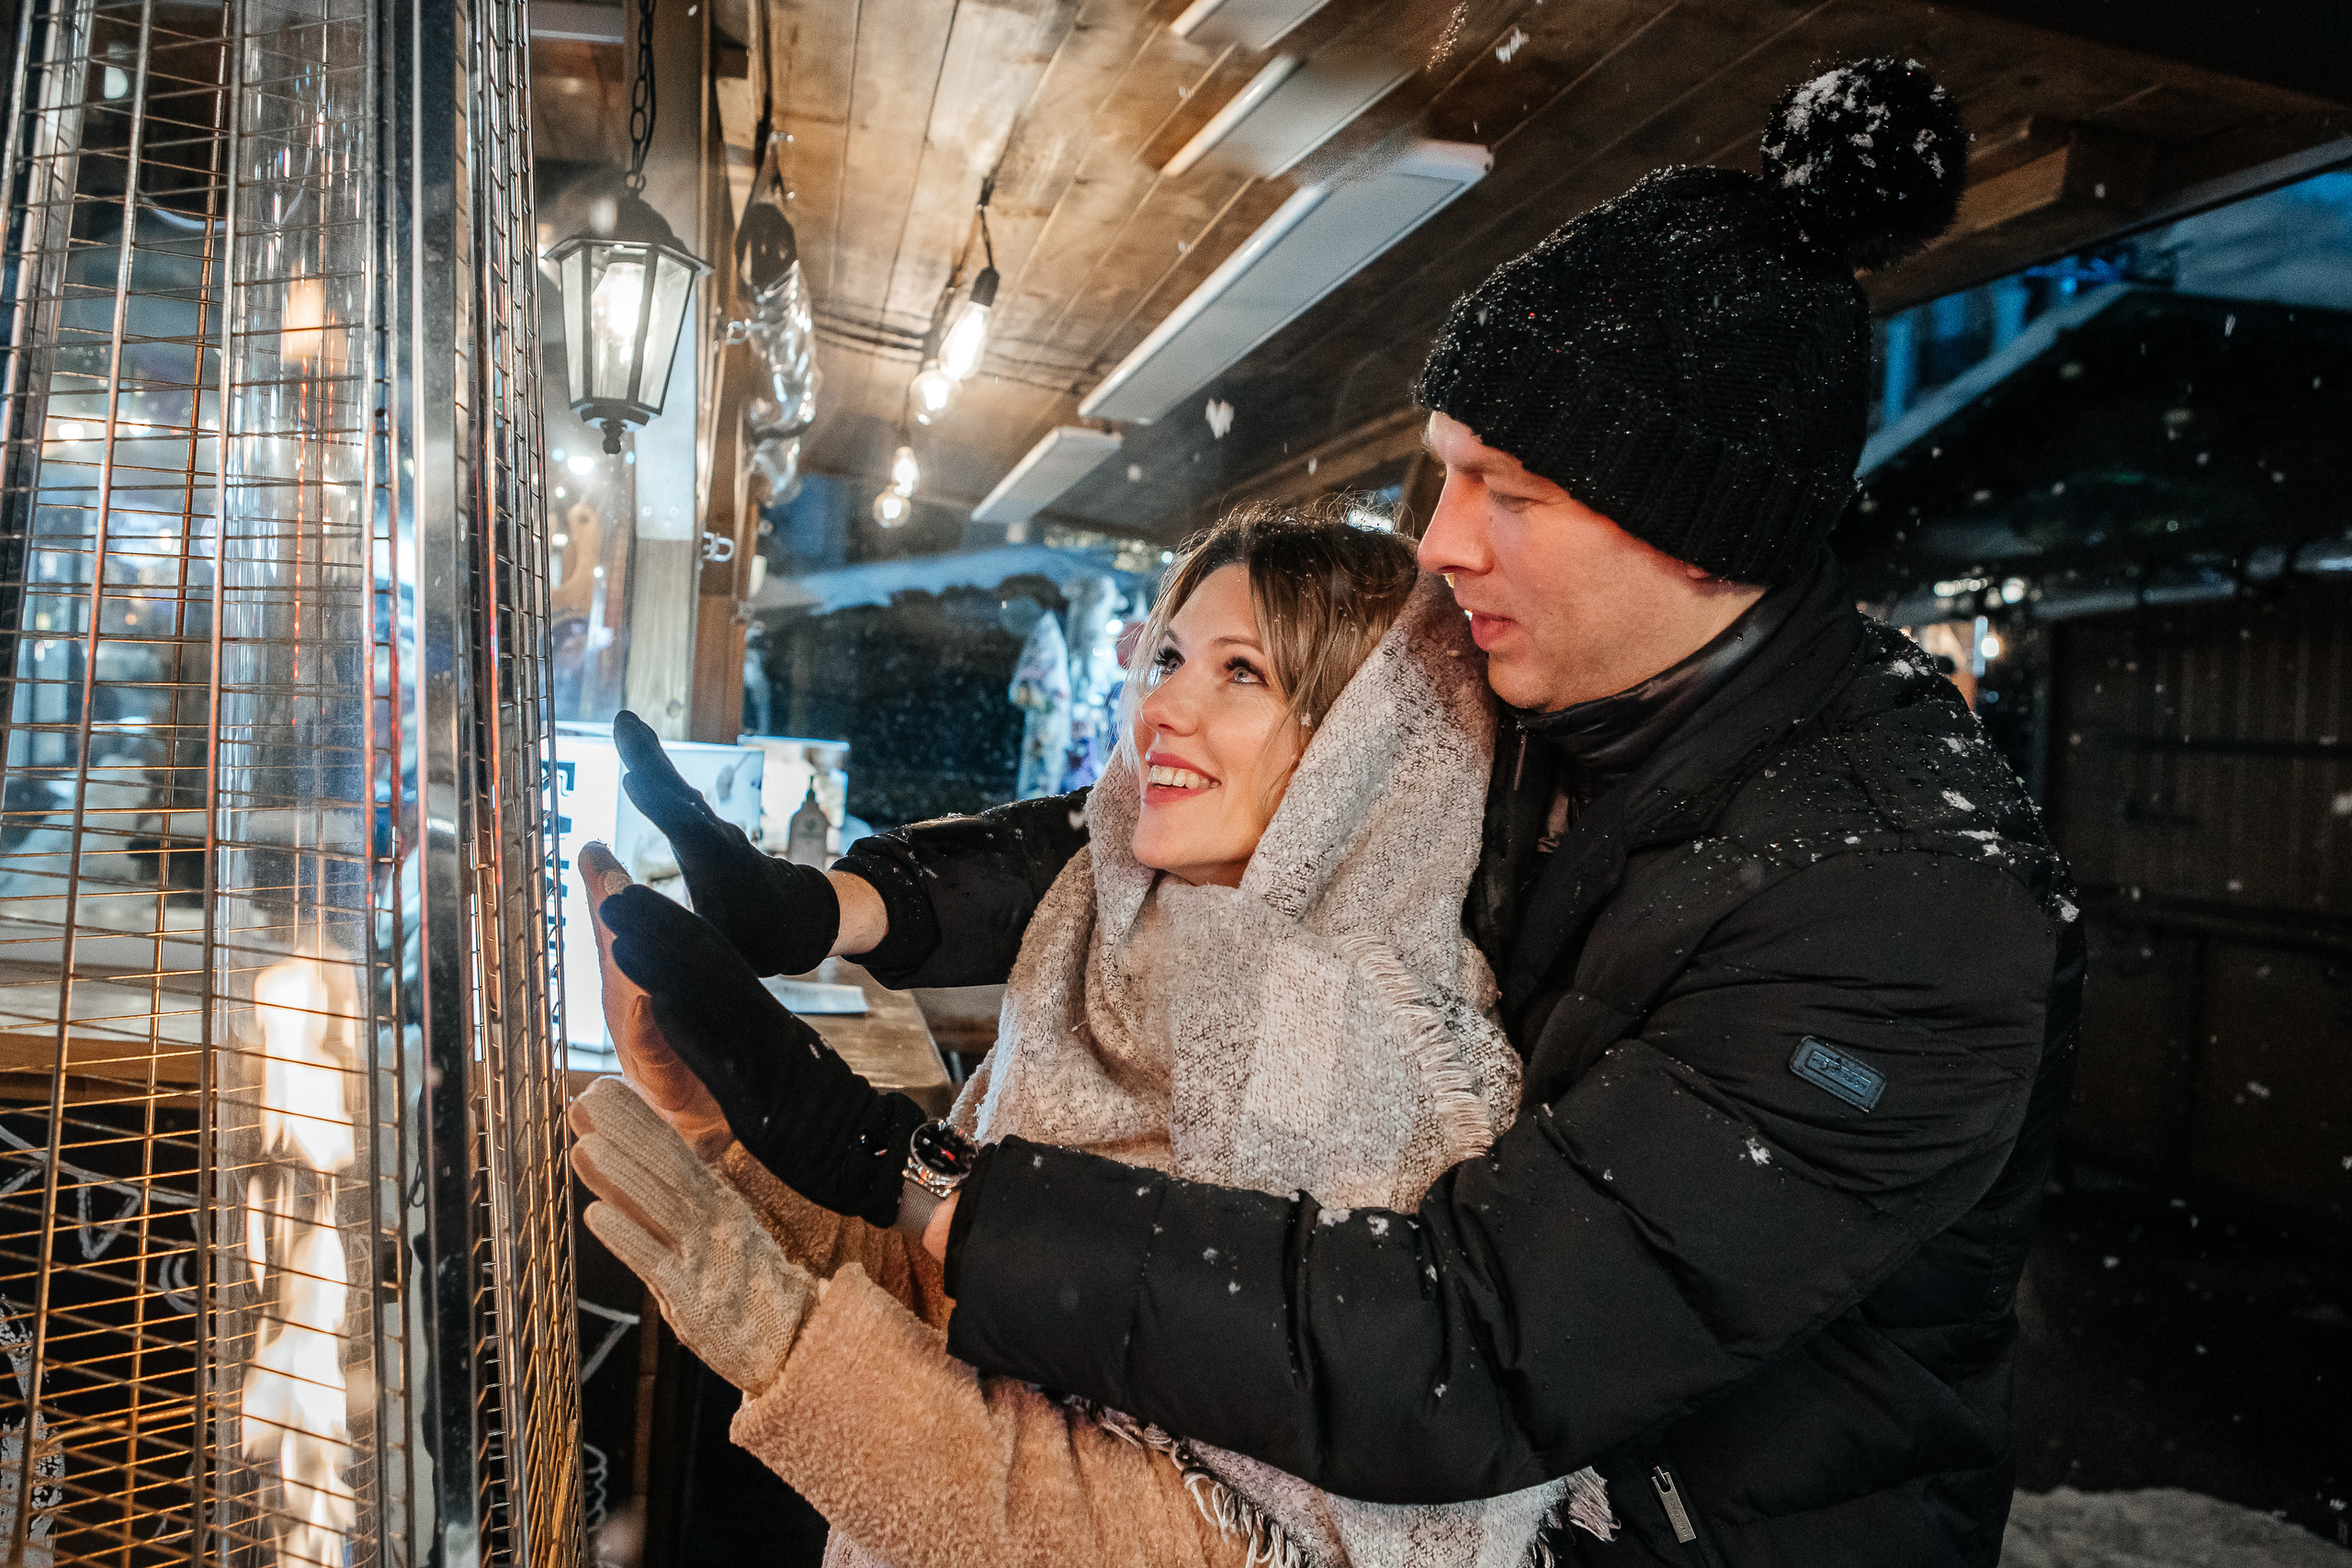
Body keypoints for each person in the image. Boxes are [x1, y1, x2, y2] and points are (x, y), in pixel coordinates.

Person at [602, 58, 2082, 1568]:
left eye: (1507, 490)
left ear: (1693, 534)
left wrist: (909, 1179)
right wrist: (847, 906)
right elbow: (1181, 807)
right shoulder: (1513, 656)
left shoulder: (1907, 907)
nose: (1441, 540)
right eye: (1448, 472)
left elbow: (1474, 1344)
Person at [581, 510, 1605, 1567]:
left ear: (1362, 746)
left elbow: (1238, 1550)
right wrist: (721, 1129)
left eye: (1243, 673)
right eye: (1168, 656)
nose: (1164, 706)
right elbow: (958, 1305)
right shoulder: (1104, 945)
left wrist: (782, 1333)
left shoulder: (1344, 1057)